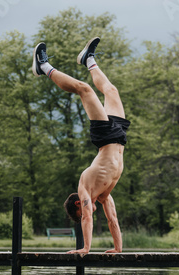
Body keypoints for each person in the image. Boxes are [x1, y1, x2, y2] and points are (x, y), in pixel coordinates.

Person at [32, 37, 129, 254]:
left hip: (105, 138)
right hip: (119, 137)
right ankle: (88, 60)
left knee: (85, 90)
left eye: (82, 213)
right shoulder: (104, 195)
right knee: (112, 91)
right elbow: (113, 219)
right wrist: (118, 248)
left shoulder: (84, 187)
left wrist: (85, 248)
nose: (89, 212)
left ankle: (43, 67)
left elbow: (87, 217)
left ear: (78, 205)